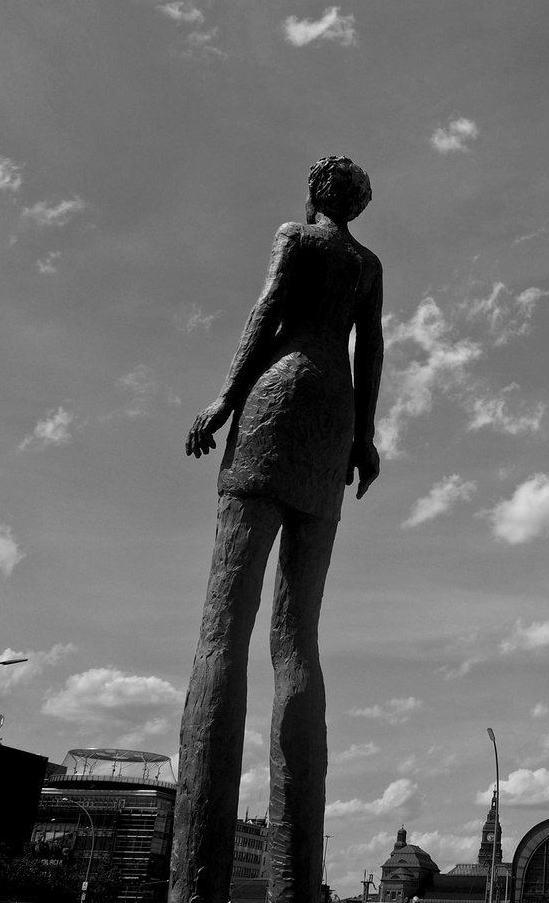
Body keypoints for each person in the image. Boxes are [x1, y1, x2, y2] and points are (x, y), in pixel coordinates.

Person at [171, 156, 383, 903]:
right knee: (299, 639)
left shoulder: (296, 238)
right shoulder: (366, 262)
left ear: (314, 193)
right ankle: (294, 885)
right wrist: (363, 438)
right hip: (333, 415)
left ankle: (196, 881)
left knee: (225, 624)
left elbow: (266, 314)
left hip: (278, 395)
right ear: (358, 203)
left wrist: (225, 401)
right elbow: (372, 349)